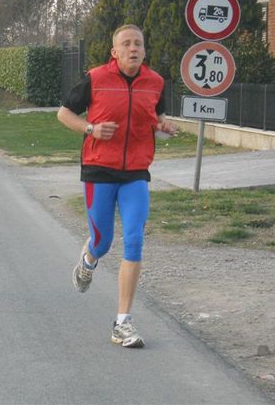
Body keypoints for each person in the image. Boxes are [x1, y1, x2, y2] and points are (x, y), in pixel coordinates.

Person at [57, 24, 177, 348]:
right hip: (99, 170)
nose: (133, 48)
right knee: (102, 240)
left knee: (135, 238)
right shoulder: (95, 79)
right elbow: (64, 113)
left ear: (144, 50)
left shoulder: (155, 82)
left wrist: (163, 124)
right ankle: (89, 259)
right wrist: (91, 128)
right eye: (126, 43)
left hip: (136, 171)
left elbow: (156, 114)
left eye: (138, 43)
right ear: (115, 51)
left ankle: (122, 322)